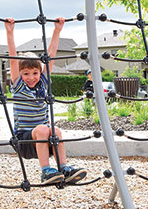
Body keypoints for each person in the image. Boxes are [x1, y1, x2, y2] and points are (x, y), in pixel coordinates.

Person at [5, 17, 87, 185]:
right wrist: (10, 32)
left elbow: (51, 56)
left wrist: (57, 31)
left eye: (35, 72)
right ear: (20, 75)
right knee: (43, 129)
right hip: (25, 141)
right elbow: (13, 59)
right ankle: (45, 171)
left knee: (55, 130)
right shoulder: (19, 86)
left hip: (44, 141)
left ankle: (63, 168)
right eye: (26, 73)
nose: (31, 77)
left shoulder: (43, 82)